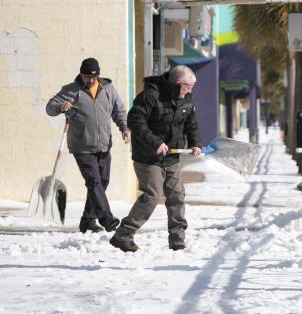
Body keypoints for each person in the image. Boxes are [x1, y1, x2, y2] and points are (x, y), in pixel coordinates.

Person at [110, 65, 202, 253]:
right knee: (152, 195)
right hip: (148, 157)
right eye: (188, 86)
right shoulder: (151, 96)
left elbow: (191, 124)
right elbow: (135, 120)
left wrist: (195, 143)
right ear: (177, 83)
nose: (191, 90)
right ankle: (123, 234)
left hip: (172, 157)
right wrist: (155, 142)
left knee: (177, 195)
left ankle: (177, 240)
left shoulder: (186, 99)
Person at [46, 57, 130, 233]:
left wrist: (124, 128)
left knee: (103, 181)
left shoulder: (108, 89)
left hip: (104, 144)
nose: (89, 80)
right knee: (94, 181)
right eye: (86, 77)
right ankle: (106, 218)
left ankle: (87, 220)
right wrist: (61, 106)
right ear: (81, 75)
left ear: (98, 76)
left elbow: (118, 110)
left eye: (93, 77)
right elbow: (50, 107)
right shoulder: (70, 90)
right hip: (82, 146)